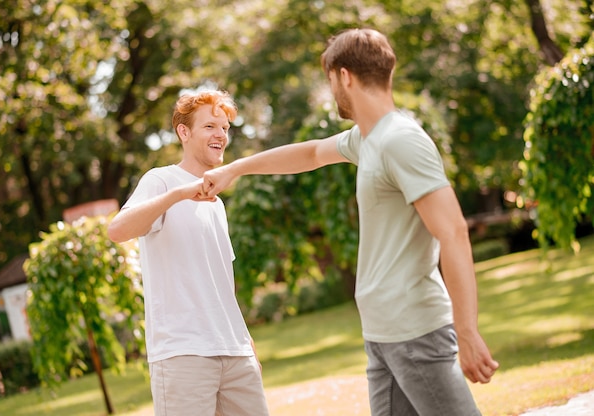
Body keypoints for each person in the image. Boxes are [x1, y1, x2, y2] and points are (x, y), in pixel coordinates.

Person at [202, 28, 499, 415]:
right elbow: (309, 154)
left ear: (344, 76)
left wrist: (467, 330)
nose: (332, 92)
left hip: (415, 330)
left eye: (330, 81)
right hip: (383, 334)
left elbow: (454, 231)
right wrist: (235, 170)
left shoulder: (400, 140)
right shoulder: (368, 139)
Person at [107, 90, 269, 416]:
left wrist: (245, 342)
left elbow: (221, 282)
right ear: (184, 132)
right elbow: (117, 230)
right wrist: (180, 194)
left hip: (235, 352)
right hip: (183, 355)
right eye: (210, 126)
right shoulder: (161, 181)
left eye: (225, 128)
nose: (221, 135)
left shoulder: (218, 204)